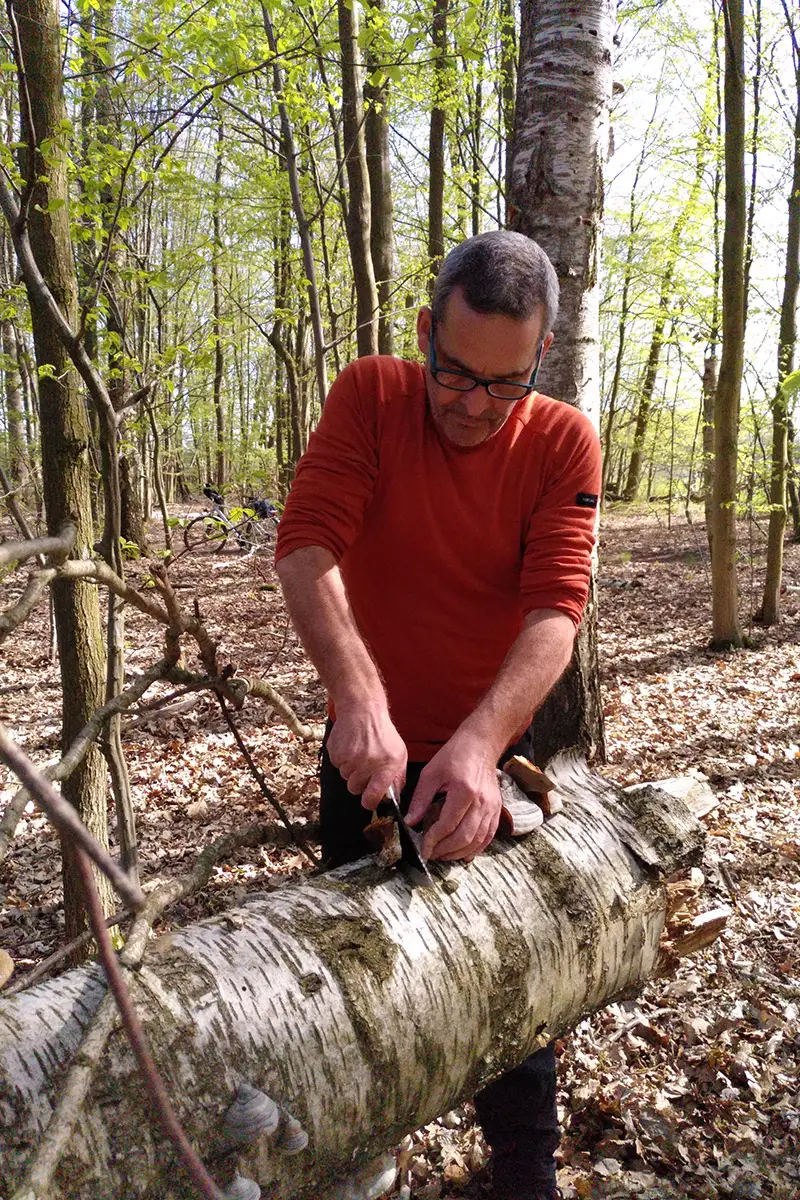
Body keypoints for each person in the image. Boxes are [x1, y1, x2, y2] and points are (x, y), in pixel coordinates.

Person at [275, 230, 602, 1200]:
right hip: (364, 754)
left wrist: (478, 745)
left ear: (538, 359)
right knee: (357, 984)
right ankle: (361, 1159)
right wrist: (357, 696)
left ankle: (522, 1174)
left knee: (511, 981)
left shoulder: (560, 441)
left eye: (500, 386)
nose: (469, 407)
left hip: (488, 748)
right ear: (425, 331)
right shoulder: (371, 396)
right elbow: (304, 546)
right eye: (452, 374)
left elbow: (556, 612)